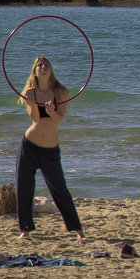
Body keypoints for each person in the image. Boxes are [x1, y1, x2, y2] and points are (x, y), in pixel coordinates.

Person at [15, 56, 85, 240]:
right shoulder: (30, 93)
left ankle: (77, 229)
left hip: (50, 149)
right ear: (35, 71)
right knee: (24, 188)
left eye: (46, 65)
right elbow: (36, 119)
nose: (43, 67)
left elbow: (58, 119)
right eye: (40, 65)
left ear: (51, 70)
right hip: (29, 146)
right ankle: (25, 229)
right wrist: (32, 104)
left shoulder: (61, 91)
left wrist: (53, 110)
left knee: (59, 189)